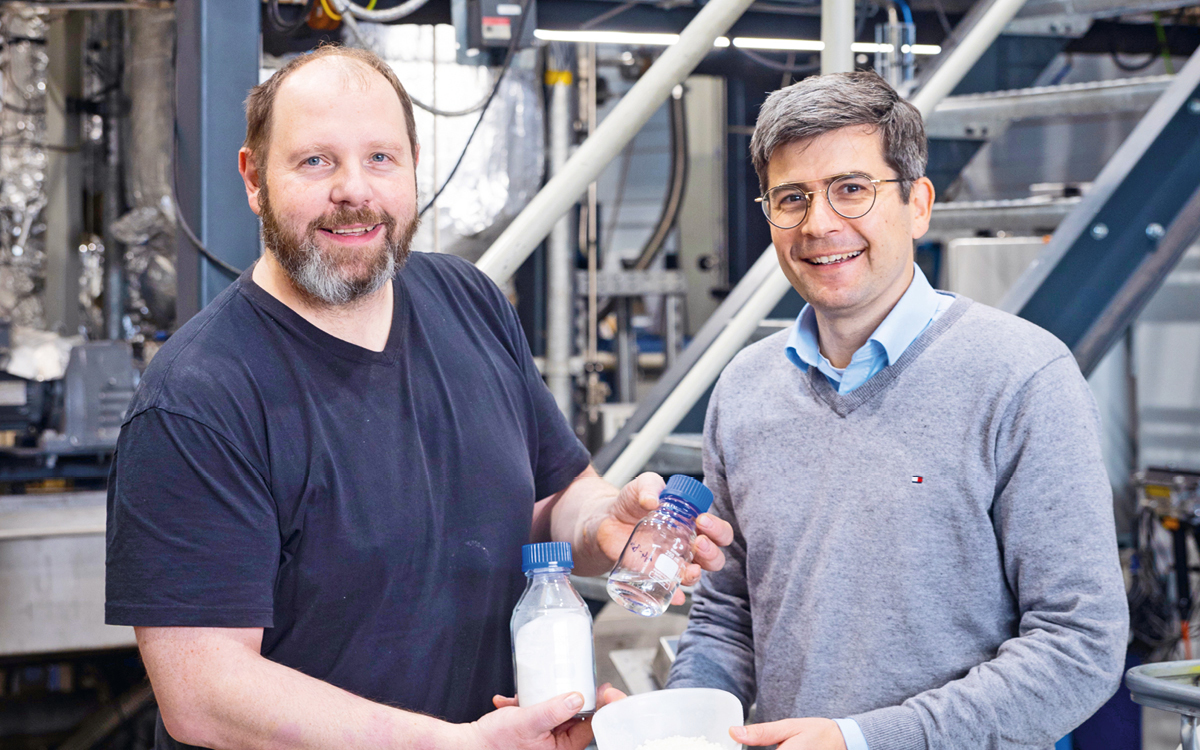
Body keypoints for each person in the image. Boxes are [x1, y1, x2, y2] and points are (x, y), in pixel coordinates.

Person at [105, 46, 733, 750]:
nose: (354, 190)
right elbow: (204, 694)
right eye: (315, 161)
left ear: (413, 166)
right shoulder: (198, 397)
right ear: (254, 179)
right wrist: (454, 744)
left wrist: (600, 526)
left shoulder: (468, 301)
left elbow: (552, 496)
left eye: (381, 158)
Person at [666, 71, 1129, 750]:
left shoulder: (1023, 376)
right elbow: (726, 618)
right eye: (792, 198)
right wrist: (682, 724)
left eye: (852, 189)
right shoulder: (744, 389)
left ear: (918, 205)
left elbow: (1079, 645)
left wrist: (863, 740)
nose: (819, 224)